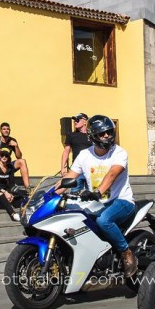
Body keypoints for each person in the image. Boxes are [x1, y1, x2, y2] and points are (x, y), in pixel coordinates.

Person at [61, 115, 138, 277]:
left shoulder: (119, 152)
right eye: (102, 134)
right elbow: (68, 178)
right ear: (92, 136)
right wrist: (48, 195)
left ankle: (126, 252)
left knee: (104, 220)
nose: (107, 137)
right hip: (97, 204)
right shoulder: (84, 155)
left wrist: (97, 192)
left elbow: (112, 175)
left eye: (109, 133)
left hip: (122, 201)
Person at [0, 122, 31, 190]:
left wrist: (16, 146)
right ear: (0, 131)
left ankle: (28, 187)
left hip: (8, 165)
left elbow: (19, 157)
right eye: (4, 129)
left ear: (10, 130)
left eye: (7, 129)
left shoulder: (12, 140)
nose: (6, 130)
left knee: (22, 161)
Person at [0, 147, 24, 221]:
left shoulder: (10, 167)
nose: (4, 157)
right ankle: (13, 214)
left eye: (6, 155)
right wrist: (5, 192)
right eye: (2, 155)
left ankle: (26, 212)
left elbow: (12, 183)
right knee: (0, 193)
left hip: (6, 189)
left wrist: (11, 193)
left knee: (20, 195)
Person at [60, 113, 89, 191]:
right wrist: (63, 167)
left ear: (85, 121)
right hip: (77, 169)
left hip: (91, 169)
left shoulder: (92, 135)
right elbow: (66, 151)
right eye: (74, 120)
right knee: (74, 194)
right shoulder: (71, 135)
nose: (75, 122)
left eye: (77, 120)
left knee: (92, 194)